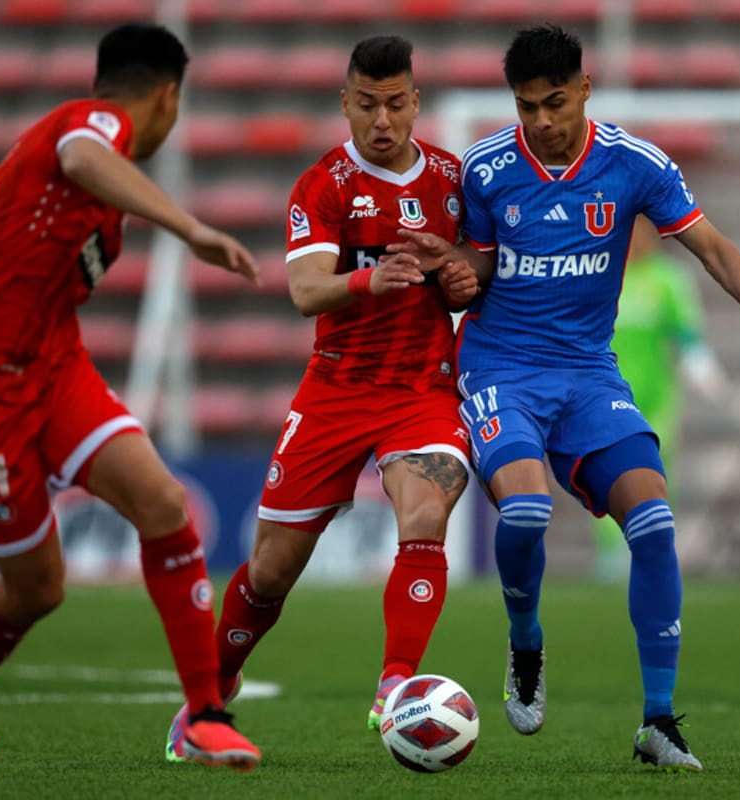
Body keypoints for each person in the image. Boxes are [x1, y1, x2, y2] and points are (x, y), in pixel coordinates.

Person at [391, 24, 740, 773]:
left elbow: (712, 246)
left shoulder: (634, 163)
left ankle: (658, 721)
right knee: (526, 510)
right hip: (502, 369)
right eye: (527, 106)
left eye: (555, 102)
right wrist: (455, 268)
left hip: (589, 373)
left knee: (654, 523)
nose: (541, 120)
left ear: (585, 89)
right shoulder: (487, 169)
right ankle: (525, 643)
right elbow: (479, 266)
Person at [0, 23, 263, 773]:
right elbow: (81, 154)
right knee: (37, 589)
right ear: (168, 98)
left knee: (163, 505)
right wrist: (189, 227)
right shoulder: (88, 125)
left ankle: (204, 715)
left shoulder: (96, 170)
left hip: (51, 364)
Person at [164, 35, 478, 762]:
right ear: (345, 103)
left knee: (426, 512)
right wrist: (372, 278)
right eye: (366, 104)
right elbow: (306, 290)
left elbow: (476, 271)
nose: (381, 120)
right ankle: (211, 696)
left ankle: (395, 687)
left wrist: (464, 276)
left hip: (422, 388)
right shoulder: (324, 185)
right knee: (270, 571)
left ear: (415, 103)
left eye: (395, 104)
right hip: (336, 389)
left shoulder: (453, 180)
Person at [591, 218, 728, 581]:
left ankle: (654, 548)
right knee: (608, 474)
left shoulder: (669, 279)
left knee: (653, 473)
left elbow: (687, 335)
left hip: (656, 400)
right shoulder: (599, 274)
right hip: (605, 398)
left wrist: (705, 372)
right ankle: (613, 557)